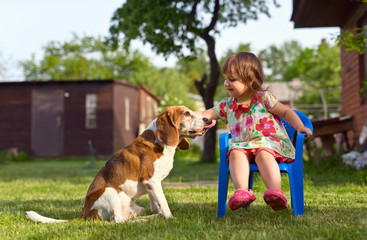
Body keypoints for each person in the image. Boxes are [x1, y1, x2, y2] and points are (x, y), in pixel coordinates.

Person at [197, 52, 312, 211]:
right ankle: (242, 192)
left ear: (250, 80)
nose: (226, 83)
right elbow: (208, 114)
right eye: (226, 78)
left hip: (270, 144)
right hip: (244, 146)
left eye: (232, 79)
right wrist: (194, 117)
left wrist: (299, 127)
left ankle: (274, 192)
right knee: (234, 151)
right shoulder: (227, 104)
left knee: (262, 152)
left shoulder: (263, 98)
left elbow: (285, 112)